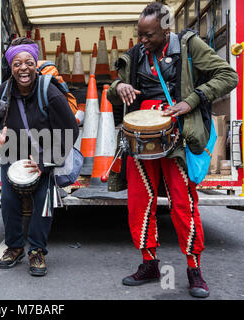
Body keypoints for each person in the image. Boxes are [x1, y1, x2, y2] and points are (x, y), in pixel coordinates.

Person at [106, 2, 239, 298]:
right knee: (140, 201)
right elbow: (112, 93)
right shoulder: (136, 54)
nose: (143, 40)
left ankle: (194, 268)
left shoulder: (190, 45)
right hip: (139, 138)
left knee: (183, 202)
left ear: (166, 29)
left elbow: (229, 76)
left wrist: (191, 101)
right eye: (139, 34)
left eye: (149, 34)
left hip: (177, 134)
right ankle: (149, 263)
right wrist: (119, 88)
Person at [0, 37, 79, 276]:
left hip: (43, 157)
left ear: (35, 64)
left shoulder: (50, 91)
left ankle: (37, 251)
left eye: (28, 62)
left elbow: (71, 129)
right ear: (11, 67)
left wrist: (46, 160)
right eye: (17, 63)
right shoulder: (1, 93)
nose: (23, 68)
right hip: (11, 155)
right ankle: (14, 247)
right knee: (9, 203)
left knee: (43, 205)